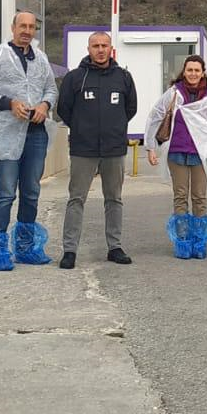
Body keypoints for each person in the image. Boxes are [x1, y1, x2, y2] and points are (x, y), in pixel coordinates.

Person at [0, 11, 57, 271]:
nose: (27, 31)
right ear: (13, 28)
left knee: (31, 193)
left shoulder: (41, 59)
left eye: (31, 27)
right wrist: (9, 103)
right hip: (6, 136)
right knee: (6, 193)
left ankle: (25, 248)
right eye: (23, 26)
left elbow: (52, 88)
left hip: (36, 135)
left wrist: (45, 104)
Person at [54, 31, 138, 270]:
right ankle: (69, 250)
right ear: (88, 48)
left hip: (114, 148)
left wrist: (115, 127)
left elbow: (129, 109)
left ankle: (115, 247)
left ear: (111, 49)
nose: (100, 50)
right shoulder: (75, 78)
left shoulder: (123, 77)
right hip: (83, 149)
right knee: (76, 199)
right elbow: (65, 109)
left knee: (114, 199)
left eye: (104, 45)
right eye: (95, 45)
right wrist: (82, 129)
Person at [145, 55, 207, 260]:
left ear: (203, 72)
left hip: (201, 153)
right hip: (176, 151)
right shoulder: (173, 93)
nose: (192, 74)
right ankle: (182, 241)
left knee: (199, 197)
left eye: (196, 70)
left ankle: (199, 242)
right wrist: (150, 147)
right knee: (180, 197)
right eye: (189, 70)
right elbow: (155, 116)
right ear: (184, 71)